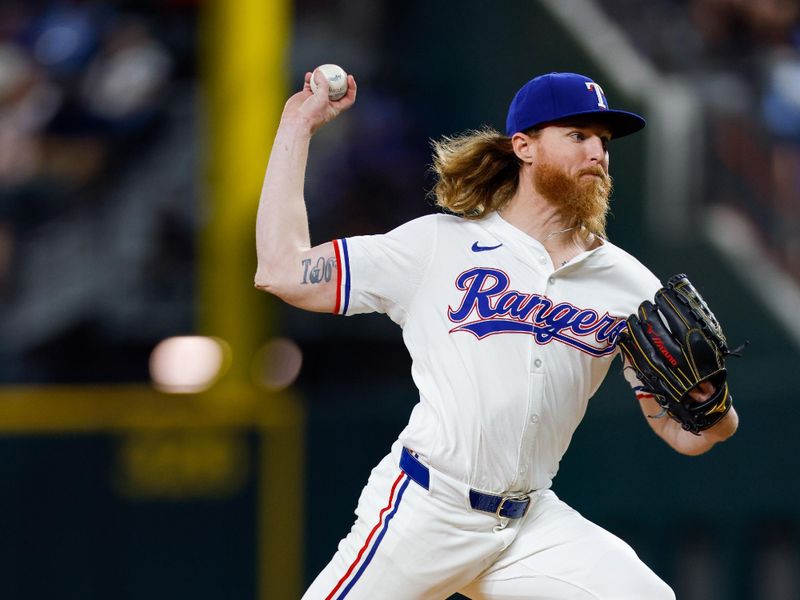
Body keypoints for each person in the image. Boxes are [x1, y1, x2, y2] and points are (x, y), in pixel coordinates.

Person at [255, 70, 739, 599]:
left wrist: (714, 406)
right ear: (524, 147)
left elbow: (685, 434)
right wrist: (296, 125)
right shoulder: (437, 246)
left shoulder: (628, 284)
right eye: (577, 136)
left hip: (527, 525)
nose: (597, 153)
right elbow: (281, 271)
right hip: (427, 507)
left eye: (603, 141)